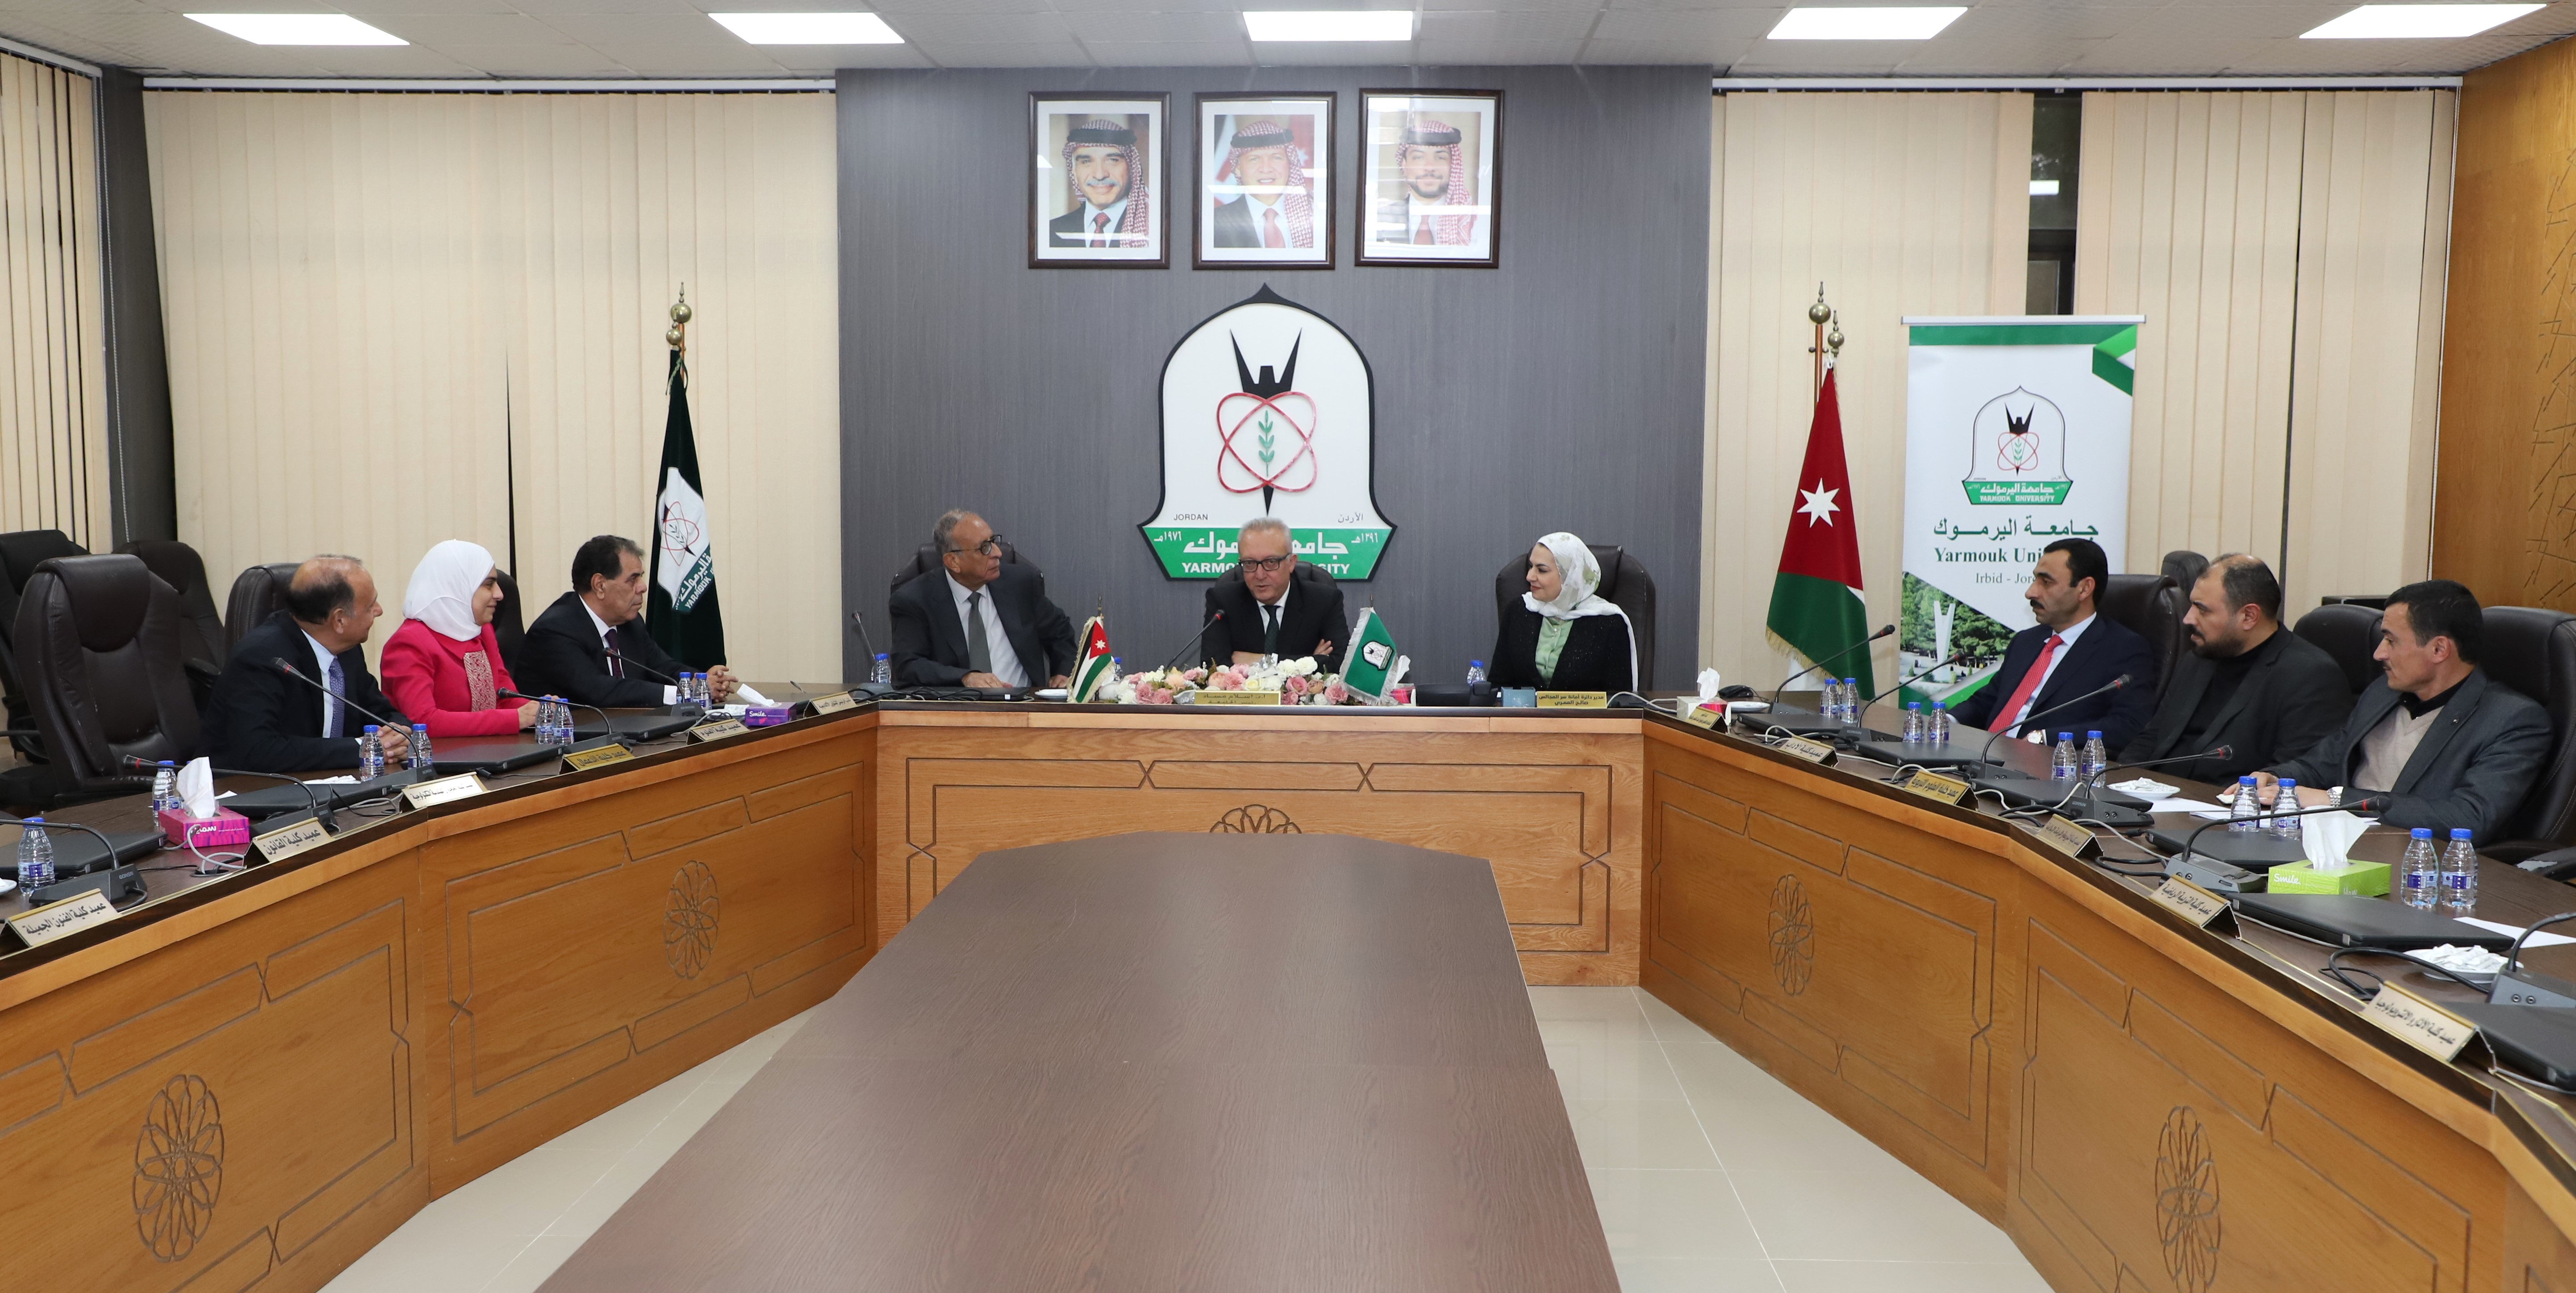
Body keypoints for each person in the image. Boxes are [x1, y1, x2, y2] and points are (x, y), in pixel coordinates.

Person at [2255, 580, 2550, 842]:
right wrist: (2275, 779)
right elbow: (2326, 762)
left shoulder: (2512, 721)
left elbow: (2469, 818)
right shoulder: (2382, 693)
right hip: (2333, 843)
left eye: (2391, 641)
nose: (2379, 653)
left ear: (2439, 650)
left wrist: (2336, 800)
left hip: (2414, 863)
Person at [2120, 554, 2350, 784]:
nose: (2188, 619)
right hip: (2155, 794)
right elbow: (2151, 738)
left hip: (2223, 802)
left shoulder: (2310, 676)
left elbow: (2292, 777)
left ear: (2249, 616)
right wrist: (2120, 782)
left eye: (2202, 610)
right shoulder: (2199, 658)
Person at [203, 555, 412, 772]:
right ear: (339, 620)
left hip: (330, 781)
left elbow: (382, 713)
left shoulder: (347, 649)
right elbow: (258, 750)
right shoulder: (261, 658)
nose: (379, 610)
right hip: (246, 786)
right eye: (370, 606)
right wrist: (362, 748)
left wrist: (399, 733)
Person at [1949, 538, 2158, 751]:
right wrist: (1948, 720)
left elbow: (2128, 725)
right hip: (1983, 756)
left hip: (2043, 764)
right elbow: (1988, 701)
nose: (2031, 592)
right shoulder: (2025, 641)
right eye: (2035, 580)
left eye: (2046, 582)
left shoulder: (2123, 649)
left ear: (2084, 589)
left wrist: (2048, 738)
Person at [518, 535, 737, 709]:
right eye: (633, 579)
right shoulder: (554, 631)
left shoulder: (629, 622)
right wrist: (684, 692)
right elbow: (598, 690)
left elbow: (663, 668)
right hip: (566, 740)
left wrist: (702, 681)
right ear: (600, 585)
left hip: (625, 729)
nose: (643, 587)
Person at [889, 509, 1075, 688]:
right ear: (953, 562)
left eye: (993, 542)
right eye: (985, 548)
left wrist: (1064, 672)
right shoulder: (914, 600)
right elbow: (907, 666)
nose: (998, 553)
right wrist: (965, 678)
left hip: (1023, 703)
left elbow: (1060, 631)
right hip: (957, 707)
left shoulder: (1020, 584)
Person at [380, 540, 537, 738]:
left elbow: (504, 697)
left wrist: (539, 710)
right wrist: (515, 719)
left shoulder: (483, 630)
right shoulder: (408, 644)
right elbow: (423, 721)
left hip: (491, 749)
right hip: (440, 755)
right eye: (489, 585)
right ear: (457, 586)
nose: (499, 594)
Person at [1489, 533, 1636, 694]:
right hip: (1521, 711)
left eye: (1542, 570)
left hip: (1584, 712)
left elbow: (1618, 699)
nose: (1530, 577)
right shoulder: (1518, 611)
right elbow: (1498, 686)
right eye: (1531, 567)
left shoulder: (1610, 622)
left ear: (1570, 576)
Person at [1201, 518, 1345, 665]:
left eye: (1271, 562)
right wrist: (1309, 662)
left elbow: (1339, 663)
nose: (1260, 575)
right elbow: (1213, 666)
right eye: (1249, 563)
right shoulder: (1223, 602)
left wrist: (1262, 660)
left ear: (1291, 563)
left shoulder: (1324, 601)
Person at [1047, 118, 1152, 250]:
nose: (1100, 175)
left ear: (1132, 168)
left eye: (1113, 160)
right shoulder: (1051, 232)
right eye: (1086, 162)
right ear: (1074, 172)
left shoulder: (1152, 227)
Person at [1210, 119, 1315, 250]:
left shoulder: (1315, 215)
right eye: (1254, 159)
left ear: (1290, 164)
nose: (1266, 169)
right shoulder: (1217, 222)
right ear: (1238, 169)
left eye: (1276, 158)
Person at [1373, 117, 1474, 246]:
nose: (1429, 167)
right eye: (1419, 157)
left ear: (1453, 165)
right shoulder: (1379, 219)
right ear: (1404, 165)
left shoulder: (1472, 221)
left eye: (1441, 158)